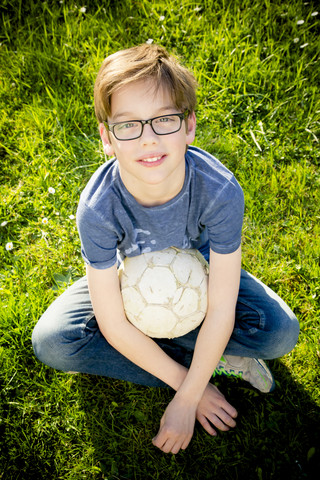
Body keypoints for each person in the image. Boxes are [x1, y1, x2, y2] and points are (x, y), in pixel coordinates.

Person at [32, 44, 299, 454]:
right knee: (53, 341)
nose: (148, 140)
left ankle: (191, 359)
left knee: (280, 333)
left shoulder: (220, 191)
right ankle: (211, 365)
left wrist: (186, 399)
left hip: (204, 274)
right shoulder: (98, 208)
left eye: (164, 121)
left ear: (189, 126)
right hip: (126, 284)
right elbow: (113, 321)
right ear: (107, 138)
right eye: (128, 126)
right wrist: (192, 391)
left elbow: (222, 305)